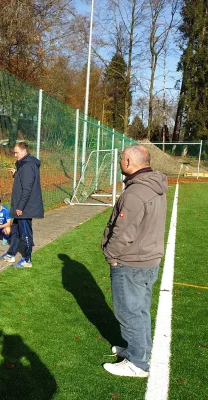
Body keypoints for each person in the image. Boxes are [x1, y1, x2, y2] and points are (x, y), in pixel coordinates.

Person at [101, 144, 167, 378]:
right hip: (147, 259)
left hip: (132, 262)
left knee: (129, 312)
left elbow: (122, 232)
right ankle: (139, 349)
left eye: (121, 159)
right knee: (139, 310)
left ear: (128, 162)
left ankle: (138, 363)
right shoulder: (153, 185)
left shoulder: (136, 192)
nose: (120, 163)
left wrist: (111, 256)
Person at [0, 142, 44, 268]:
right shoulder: (24, 165)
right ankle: (10, 254)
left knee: (25, 234)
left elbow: (27, 188)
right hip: (21, 207)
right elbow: (23, 180)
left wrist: (20, 207)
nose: (15, 155)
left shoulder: (29, 165)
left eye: (16, 152)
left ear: (24, 151)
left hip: (25, 208)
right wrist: (16, 174)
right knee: (15, 232)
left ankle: (27, 260)